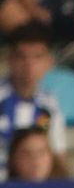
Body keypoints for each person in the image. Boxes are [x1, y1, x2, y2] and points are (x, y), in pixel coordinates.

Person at [0, 21, 65, 161]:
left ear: (49, 62)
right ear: (9, 59)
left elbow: (58, 154)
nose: (29, 65)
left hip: (32, 181)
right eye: (22, 57)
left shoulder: (49, 105)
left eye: (37, 57)